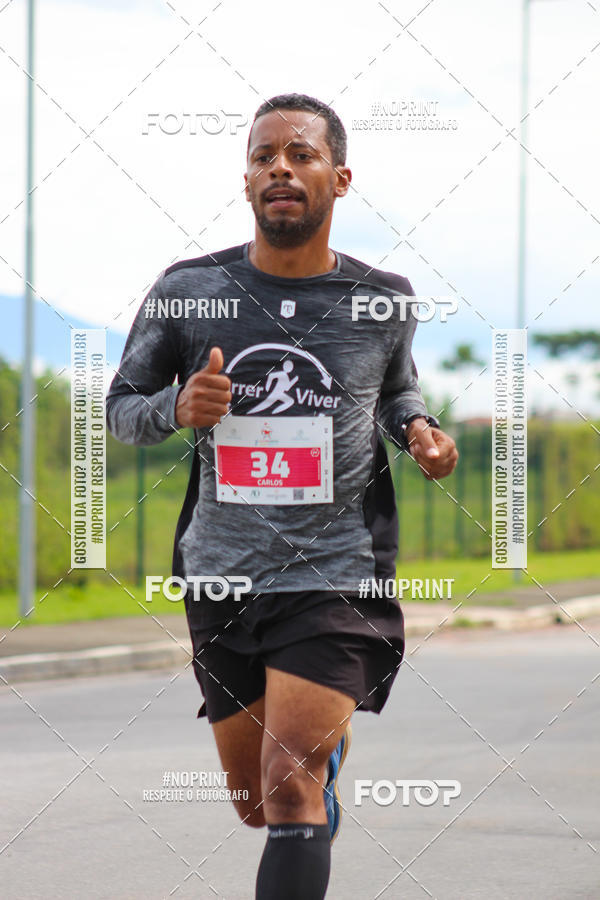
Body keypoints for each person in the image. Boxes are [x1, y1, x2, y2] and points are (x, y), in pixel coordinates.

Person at [106, 92, 458, 899]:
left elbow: (395, 393)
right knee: (257, 802)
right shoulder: (189, 290)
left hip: (338, 572)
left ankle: (312, 764)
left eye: (299, 155)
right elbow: (122, 411)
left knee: (289, 781)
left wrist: (421, 431)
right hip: (222, 575)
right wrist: (176, 407)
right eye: (265, 156)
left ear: (338, 178)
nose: (281, 169)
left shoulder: (383, 299)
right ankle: (317, 768)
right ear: (247, 183)